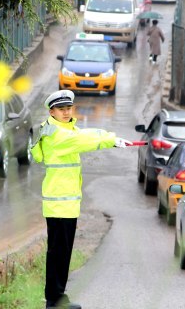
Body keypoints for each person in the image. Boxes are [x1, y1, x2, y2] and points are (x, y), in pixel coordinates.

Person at [30, 90, 131, 309]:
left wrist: (109, 135)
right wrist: (111, 140)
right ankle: (54, 301)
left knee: (62, 253)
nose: (66, 112)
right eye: (61, 109)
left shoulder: (61, 128)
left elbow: (86, 132)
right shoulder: (57, 135)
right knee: (58, 254)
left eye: (69, 108)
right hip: (60, 205)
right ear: (52, 111)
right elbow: (83, 140)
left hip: (64, 204)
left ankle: (57, 297)